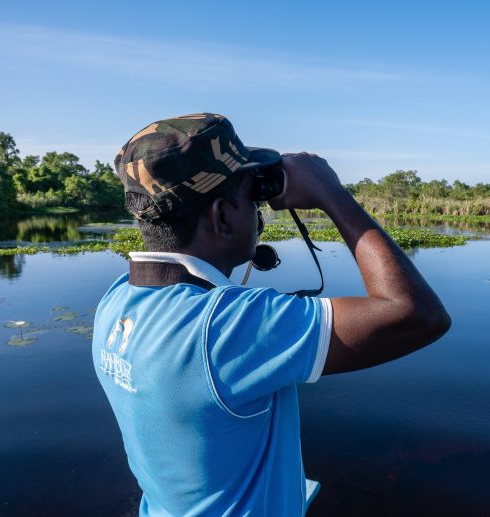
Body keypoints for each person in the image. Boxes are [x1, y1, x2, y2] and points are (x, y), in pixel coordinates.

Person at [93, 113, 451, 516]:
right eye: (251, 199)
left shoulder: (117, 300)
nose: (259, 212)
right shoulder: (223, 327)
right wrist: (331, 194)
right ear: (222, 216)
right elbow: (416, 314)